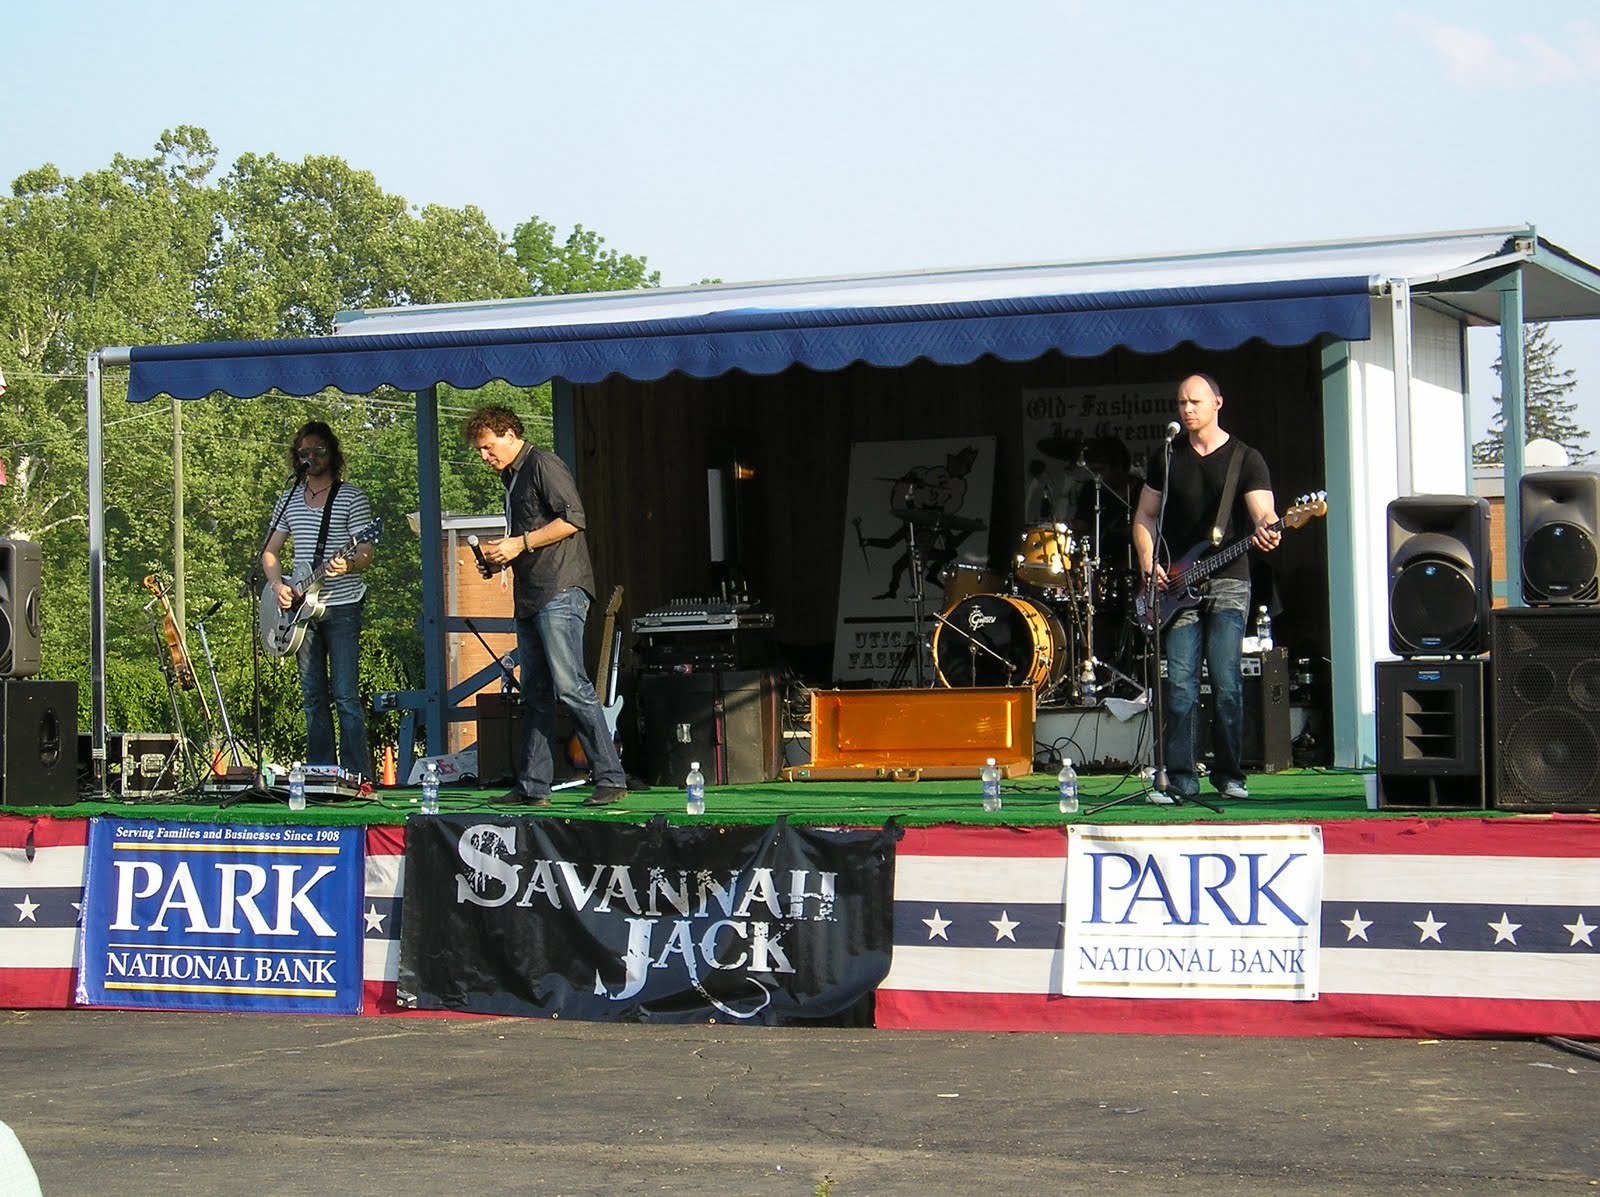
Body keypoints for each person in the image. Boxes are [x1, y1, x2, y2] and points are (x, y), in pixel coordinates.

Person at [463, 405, 630, 807]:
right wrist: (499, 558)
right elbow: (531, 534)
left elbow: (573, 520)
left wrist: (518, 544)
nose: (485, 457)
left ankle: (610, 776)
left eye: (488, 448)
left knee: (571, 685)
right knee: (534, 694)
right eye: (481, 451)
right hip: (532, 592)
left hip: (560, 587)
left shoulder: (543, 463)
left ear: (508, 433)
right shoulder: (512, 476)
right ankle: (533, 785)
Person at [1131, 374, 1279, 801]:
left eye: (1194, 401)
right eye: (1180, 403)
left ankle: (1230, 775)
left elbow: (1263, 513)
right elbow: (1144, 515)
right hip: (1178, 583)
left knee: (1227, 679)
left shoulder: (1245, 458)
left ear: (1218, 402)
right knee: (1178, 681)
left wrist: (1271, 528)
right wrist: (1148, 561)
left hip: (1230, 579)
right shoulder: (1168, 457)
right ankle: (1179, 778)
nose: (1186, 409)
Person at [260, 421, 375, 780]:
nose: (311, 458)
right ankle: (321, 772)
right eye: (304, 453)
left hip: (342, 605)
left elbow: (367, 552)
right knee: (312, 695)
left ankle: (358, 775)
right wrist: (277, 583)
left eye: (318, 451)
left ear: (333, 453)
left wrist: (349, 563)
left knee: (345, 694)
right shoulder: (289, 498)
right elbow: (270, 551)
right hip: (300, 608)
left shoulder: (351, 496)